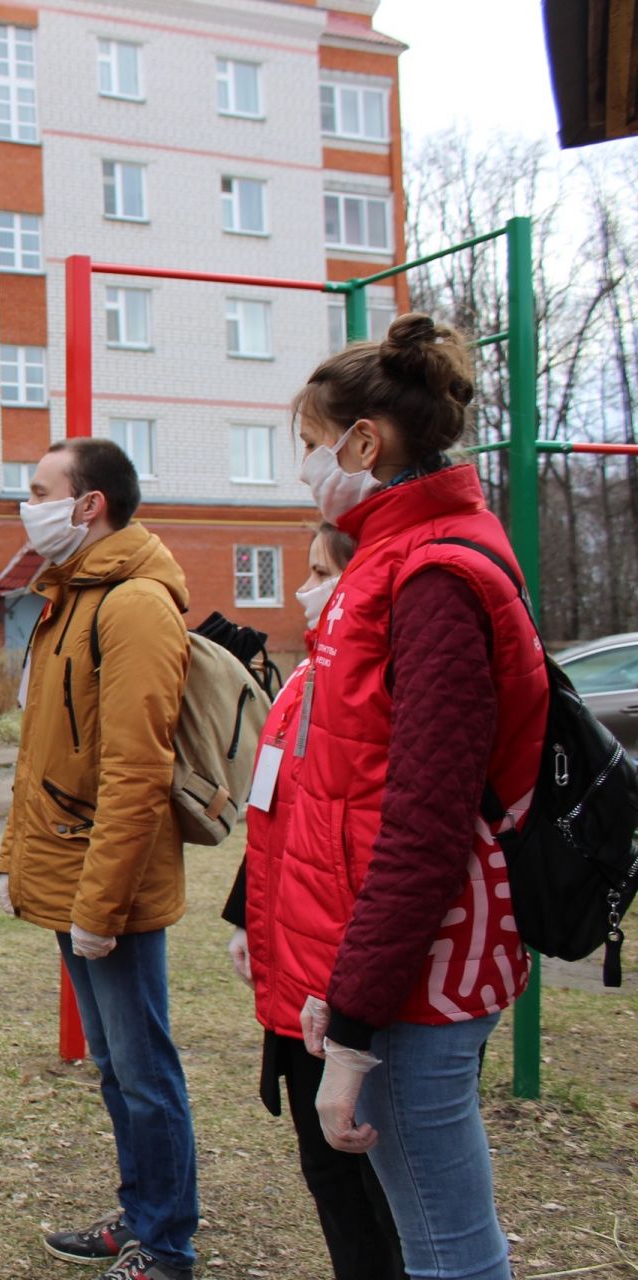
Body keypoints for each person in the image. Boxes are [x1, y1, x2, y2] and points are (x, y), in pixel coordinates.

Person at [279, 315, 547, 1280]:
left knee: (445, 1242)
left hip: (419, 962)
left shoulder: (430, 575)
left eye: (311, 446)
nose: (306, 469)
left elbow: (424, 819)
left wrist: (355, 1017)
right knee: (434, 1222)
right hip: (395, 951)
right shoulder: (399, 556)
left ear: (364, 441)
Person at [0, 437, 198, 1280]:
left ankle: (169, 1244)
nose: (26, 502)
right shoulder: (68, 598)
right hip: (69, 870)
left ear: (90, 505)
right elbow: (41, 751)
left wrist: (99, 906)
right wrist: (15, 858)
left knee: (143, 1070)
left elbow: (137, 768)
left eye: (40, 489)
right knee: (118, 1069)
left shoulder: (133, 605)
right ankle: (140, 1216)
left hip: (107, 886)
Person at [219, 525, 407, 1280]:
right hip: (296, 969)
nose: (307, 588)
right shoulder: (303, 682)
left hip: (355, 980)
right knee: (330, 1177)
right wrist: (244, 917)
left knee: (383, 1188)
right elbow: (277, 812)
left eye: (323, 572)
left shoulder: (381, 682)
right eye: (307, 572)